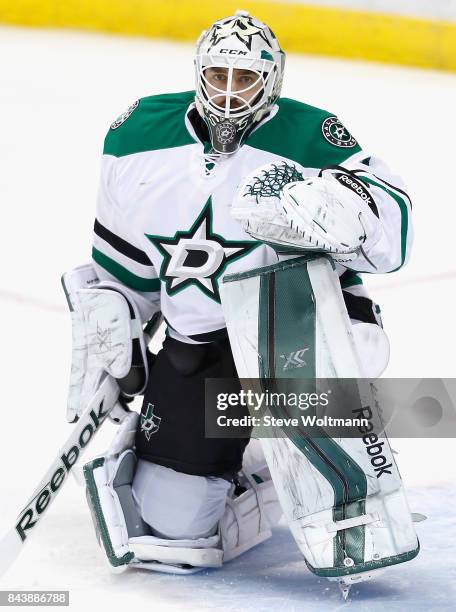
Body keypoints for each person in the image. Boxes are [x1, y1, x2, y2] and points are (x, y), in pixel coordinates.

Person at [65, 10, 414, 577]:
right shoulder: (135, 136)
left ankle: (305, 452)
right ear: (199, 72)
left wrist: (353, 212)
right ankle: (257, 466)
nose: (229, 95)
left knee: (357, 349)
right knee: (173, 526)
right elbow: (126, 272)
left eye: (244, 79)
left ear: (271, 80)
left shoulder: (310, 136)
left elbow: (394, 235)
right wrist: (116, 318)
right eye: (219, 76)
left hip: (294, 325)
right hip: (200, 342)